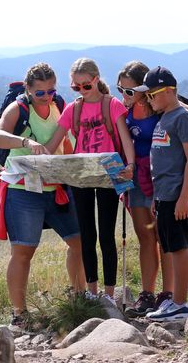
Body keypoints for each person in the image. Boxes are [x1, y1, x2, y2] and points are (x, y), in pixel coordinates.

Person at [0, 62, 86, 327]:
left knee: (79, 243)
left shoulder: (59, 104)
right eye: (40, 92)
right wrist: (25, 142)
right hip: (23, 189)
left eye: (51, 91)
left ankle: (80, 297)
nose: (47, 96)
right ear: (28, 89)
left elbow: (66, 140)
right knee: (23, 252)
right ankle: (19, 314)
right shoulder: (18, 109)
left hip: (57, 187)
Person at [118, 62, 188, 318]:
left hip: (176, 191)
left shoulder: (177, 114)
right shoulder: (156, 114)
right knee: (161, 242)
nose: (147, 99)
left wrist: (184, 194)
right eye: (145, 95)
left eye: (150, 93)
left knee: (175, 245)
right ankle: (162, 299)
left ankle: (176, 300)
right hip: (157, 188)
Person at [45, 58, 135, 305]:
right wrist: (33, 158)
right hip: (81, 173)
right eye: (76, 87)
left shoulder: (112, 105)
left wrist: (131, 165)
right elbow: (53, 144)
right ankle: (91, 292)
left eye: (85, 85)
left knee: (106, 234)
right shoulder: (72, 109)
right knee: (87, 235)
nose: (81, 90)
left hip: (110, 171)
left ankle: (109, 295)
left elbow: (125, 138)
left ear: (96, 79)